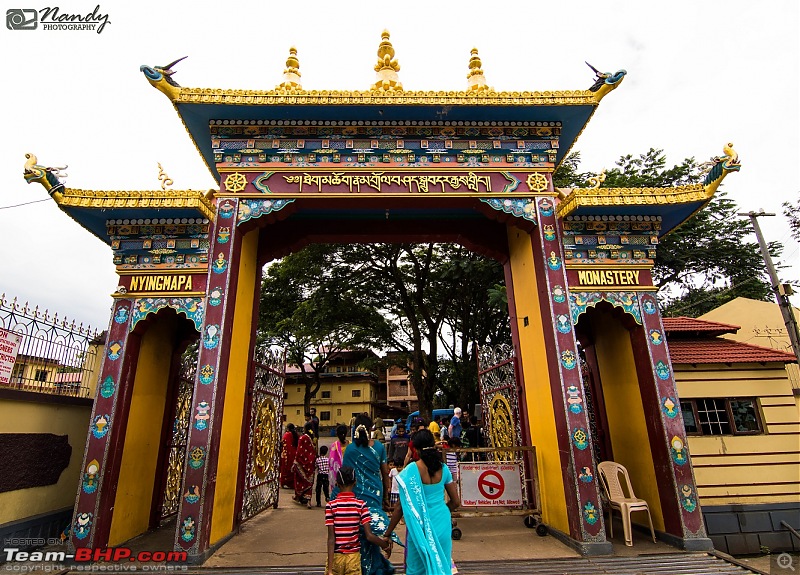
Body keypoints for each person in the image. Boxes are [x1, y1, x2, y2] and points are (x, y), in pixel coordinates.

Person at [384, 429, 460, 575]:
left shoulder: (411, 470)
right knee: (441, 566)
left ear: (416, 449)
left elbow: (400, 507)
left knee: (416, 570)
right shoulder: (443, 468)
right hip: (442, 523)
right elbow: (455, 502)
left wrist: (388, 533)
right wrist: (440, 510)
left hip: (420, 527)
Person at [331, 413, 395, 575]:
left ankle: (359, 567)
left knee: (356, 534)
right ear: (371, 429)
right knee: (371, 533)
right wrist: (386, 498)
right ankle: (373, 567)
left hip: (355, 497)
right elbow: (385, 473)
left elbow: (345, 475)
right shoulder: (379, 448)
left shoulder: (351, 449)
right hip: (374, 496)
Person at [325, 466, 390, 575]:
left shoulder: (331, 506)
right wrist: (385, 545)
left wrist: (330, 569)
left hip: (336, 558)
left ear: (337, 483)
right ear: (355, 482)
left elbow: (331, 539)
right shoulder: (360, 505)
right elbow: (369, 535)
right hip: (353, 558)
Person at [293, 422, 317, 505]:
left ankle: (299, 496)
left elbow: (299, 451)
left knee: (300, 479)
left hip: (302, 463)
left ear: (305, 429)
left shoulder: (302, 438)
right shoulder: (313, 439)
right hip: (310, 464)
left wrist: (295, 461)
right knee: (309, 482)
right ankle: (308, 500)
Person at [328, 424, 349, 492]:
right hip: (349, 474)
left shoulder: (334, 446)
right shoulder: (351, 445)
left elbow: (331, 462)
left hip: (338, 476)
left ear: (336, 434)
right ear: (347, 433)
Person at [280, 422, 298, 489]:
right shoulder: (296, 434)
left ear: (287, 428)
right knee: (292, 469)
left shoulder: (287, 435)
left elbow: (283, 443)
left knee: (285, 468)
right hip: (294, 454)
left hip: (287, 454)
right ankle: (292, 483)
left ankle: (284, 482)